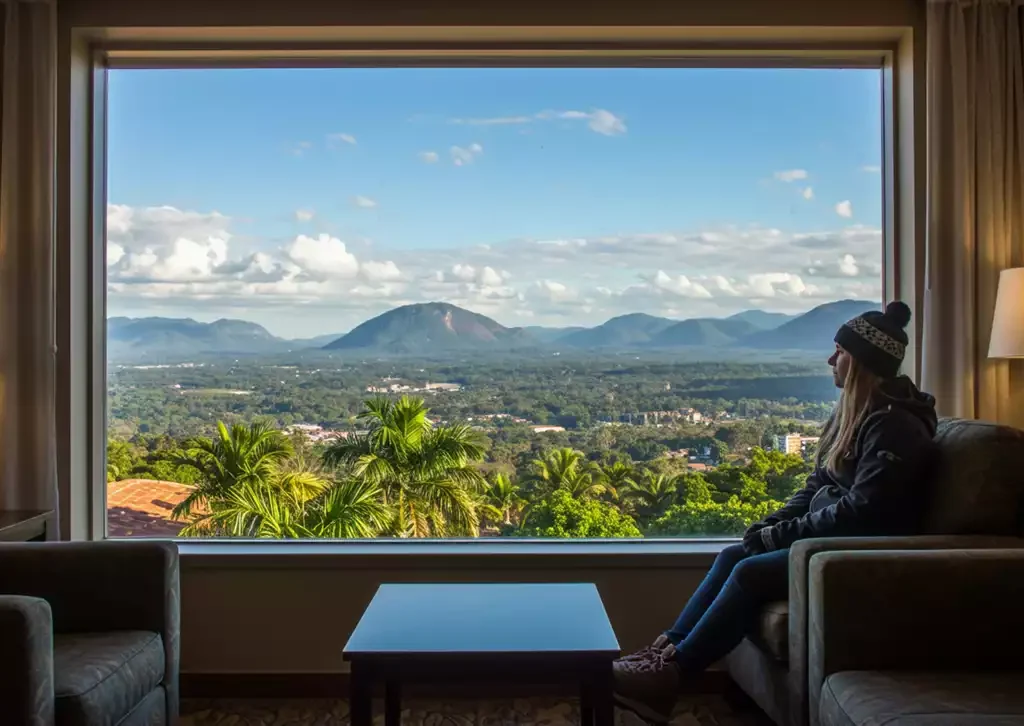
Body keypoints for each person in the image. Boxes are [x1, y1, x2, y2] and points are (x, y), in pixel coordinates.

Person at [612, 301, 938, 723]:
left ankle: (674, 674)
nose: (829, 359)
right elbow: (819, 485)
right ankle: (663, 657)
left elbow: (864, 510)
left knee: (749, 573)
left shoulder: (895, 425)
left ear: (858, 361)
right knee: (733, 554)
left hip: (857, 549)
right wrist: (772, 526)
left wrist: (783, 537)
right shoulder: (861, 415)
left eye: (838, 351)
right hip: (825, 540)